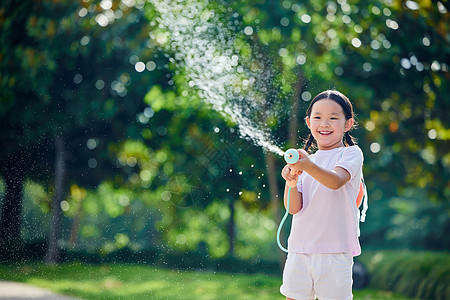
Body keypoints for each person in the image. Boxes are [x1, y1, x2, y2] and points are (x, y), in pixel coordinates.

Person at [280, 90, 364, 300]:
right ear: (308, 122)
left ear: (348, 124)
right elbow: (293, 208)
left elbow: (335, 181)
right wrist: (291, 182)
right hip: (300, 249)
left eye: (333, 118)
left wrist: (307, 165)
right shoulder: (307, 161)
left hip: (335, 252)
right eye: (317, 117)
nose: (324, 124)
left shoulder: (350, 154)